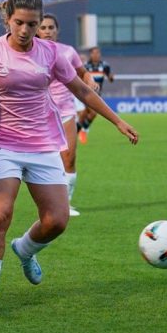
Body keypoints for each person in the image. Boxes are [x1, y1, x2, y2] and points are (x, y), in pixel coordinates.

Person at [0, 0, 139, 307]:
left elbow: (82, 91)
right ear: (7, 19)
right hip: (1, 143)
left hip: (43, 144)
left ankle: (24, 249)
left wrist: (117, 121)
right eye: (19, 22)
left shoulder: (50, 53)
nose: (25, 30)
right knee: (0, 212)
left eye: (32, 24)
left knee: (57, 220)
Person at [37, 14, 97, 217]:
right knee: (44, 163)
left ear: (57, 30)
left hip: (65, 112)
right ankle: (47, 203)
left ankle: (65, 204)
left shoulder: (68, 51)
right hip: (39, 115)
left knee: (69, 159)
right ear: (37, 30)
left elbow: (83, 72)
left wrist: (90, 80)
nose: (47, 31)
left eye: (51, 27)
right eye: (43, 27)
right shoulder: (31, 51)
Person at [77, 46, 113, 143]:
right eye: (94, 53)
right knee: (93, 113)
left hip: (97, 94)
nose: (96, 55)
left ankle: (77, 130)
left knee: (85, 113)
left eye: (98, 53)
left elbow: (110, 78)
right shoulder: (85, 66)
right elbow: (80, 77)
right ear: (91, 54)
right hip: (85, 93)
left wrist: (111, 77)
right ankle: (84, 130)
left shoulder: (104, 66)